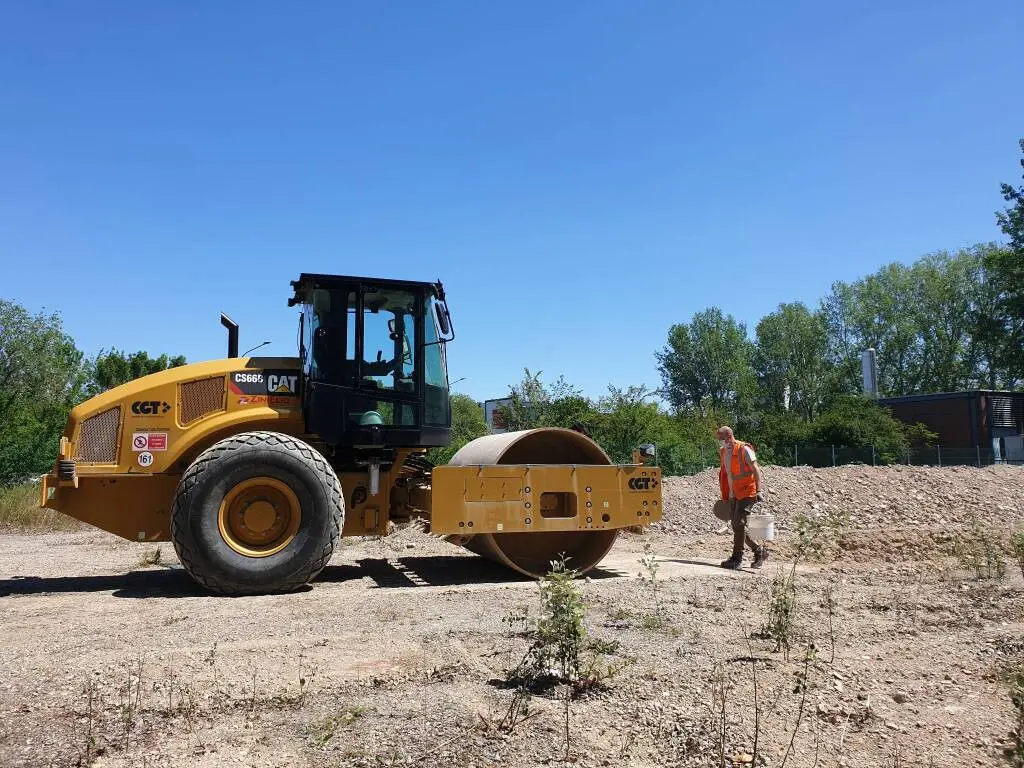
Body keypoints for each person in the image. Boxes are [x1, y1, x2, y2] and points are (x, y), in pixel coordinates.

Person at [716, 426, 768, 569]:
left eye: (719, 438)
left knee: (738, 524)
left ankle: (737, 559)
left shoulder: (744, 449)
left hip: (748, 492)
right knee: (738, 526)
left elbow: (756, 469)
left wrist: (759, 491)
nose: (718, 441)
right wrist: (726, 495)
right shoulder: (723, 452)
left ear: (728, 437)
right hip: (733, 494)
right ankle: (759, 551)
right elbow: (726, 474)